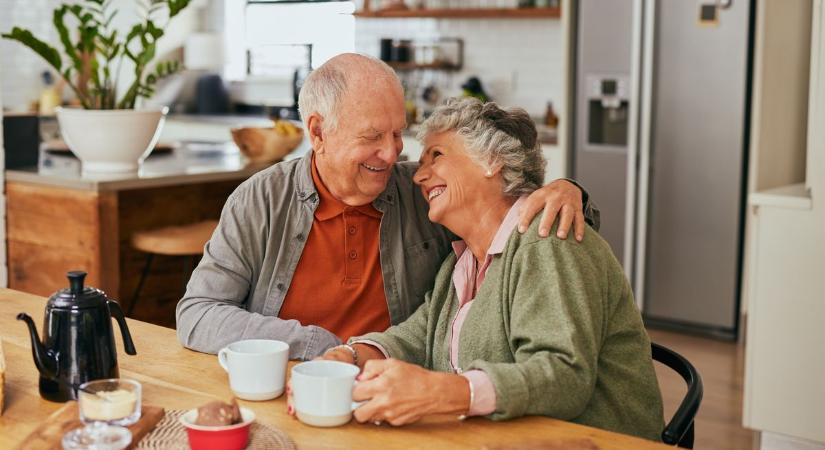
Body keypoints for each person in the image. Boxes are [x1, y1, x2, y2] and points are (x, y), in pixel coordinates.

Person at [176, 53, 600, 360]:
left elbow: (529, 221)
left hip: (398, 389)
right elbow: (197, 314)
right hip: (294, 381)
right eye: (371, 136)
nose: (391, 154)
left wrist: (568, 189)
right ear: (318, 132)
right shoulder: (261, 200)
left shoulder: (425, 193)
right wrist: (318, 346)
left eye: (398, 134)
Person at [317, 97, 664, 441]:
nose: (420, 176)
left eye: (437, 155)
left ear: (492, 161)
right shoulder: (462, 260)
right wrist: (352, 355)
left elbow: (563, 377)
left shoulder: (546, 240)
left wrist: (443, 393)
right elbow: (420, 335)